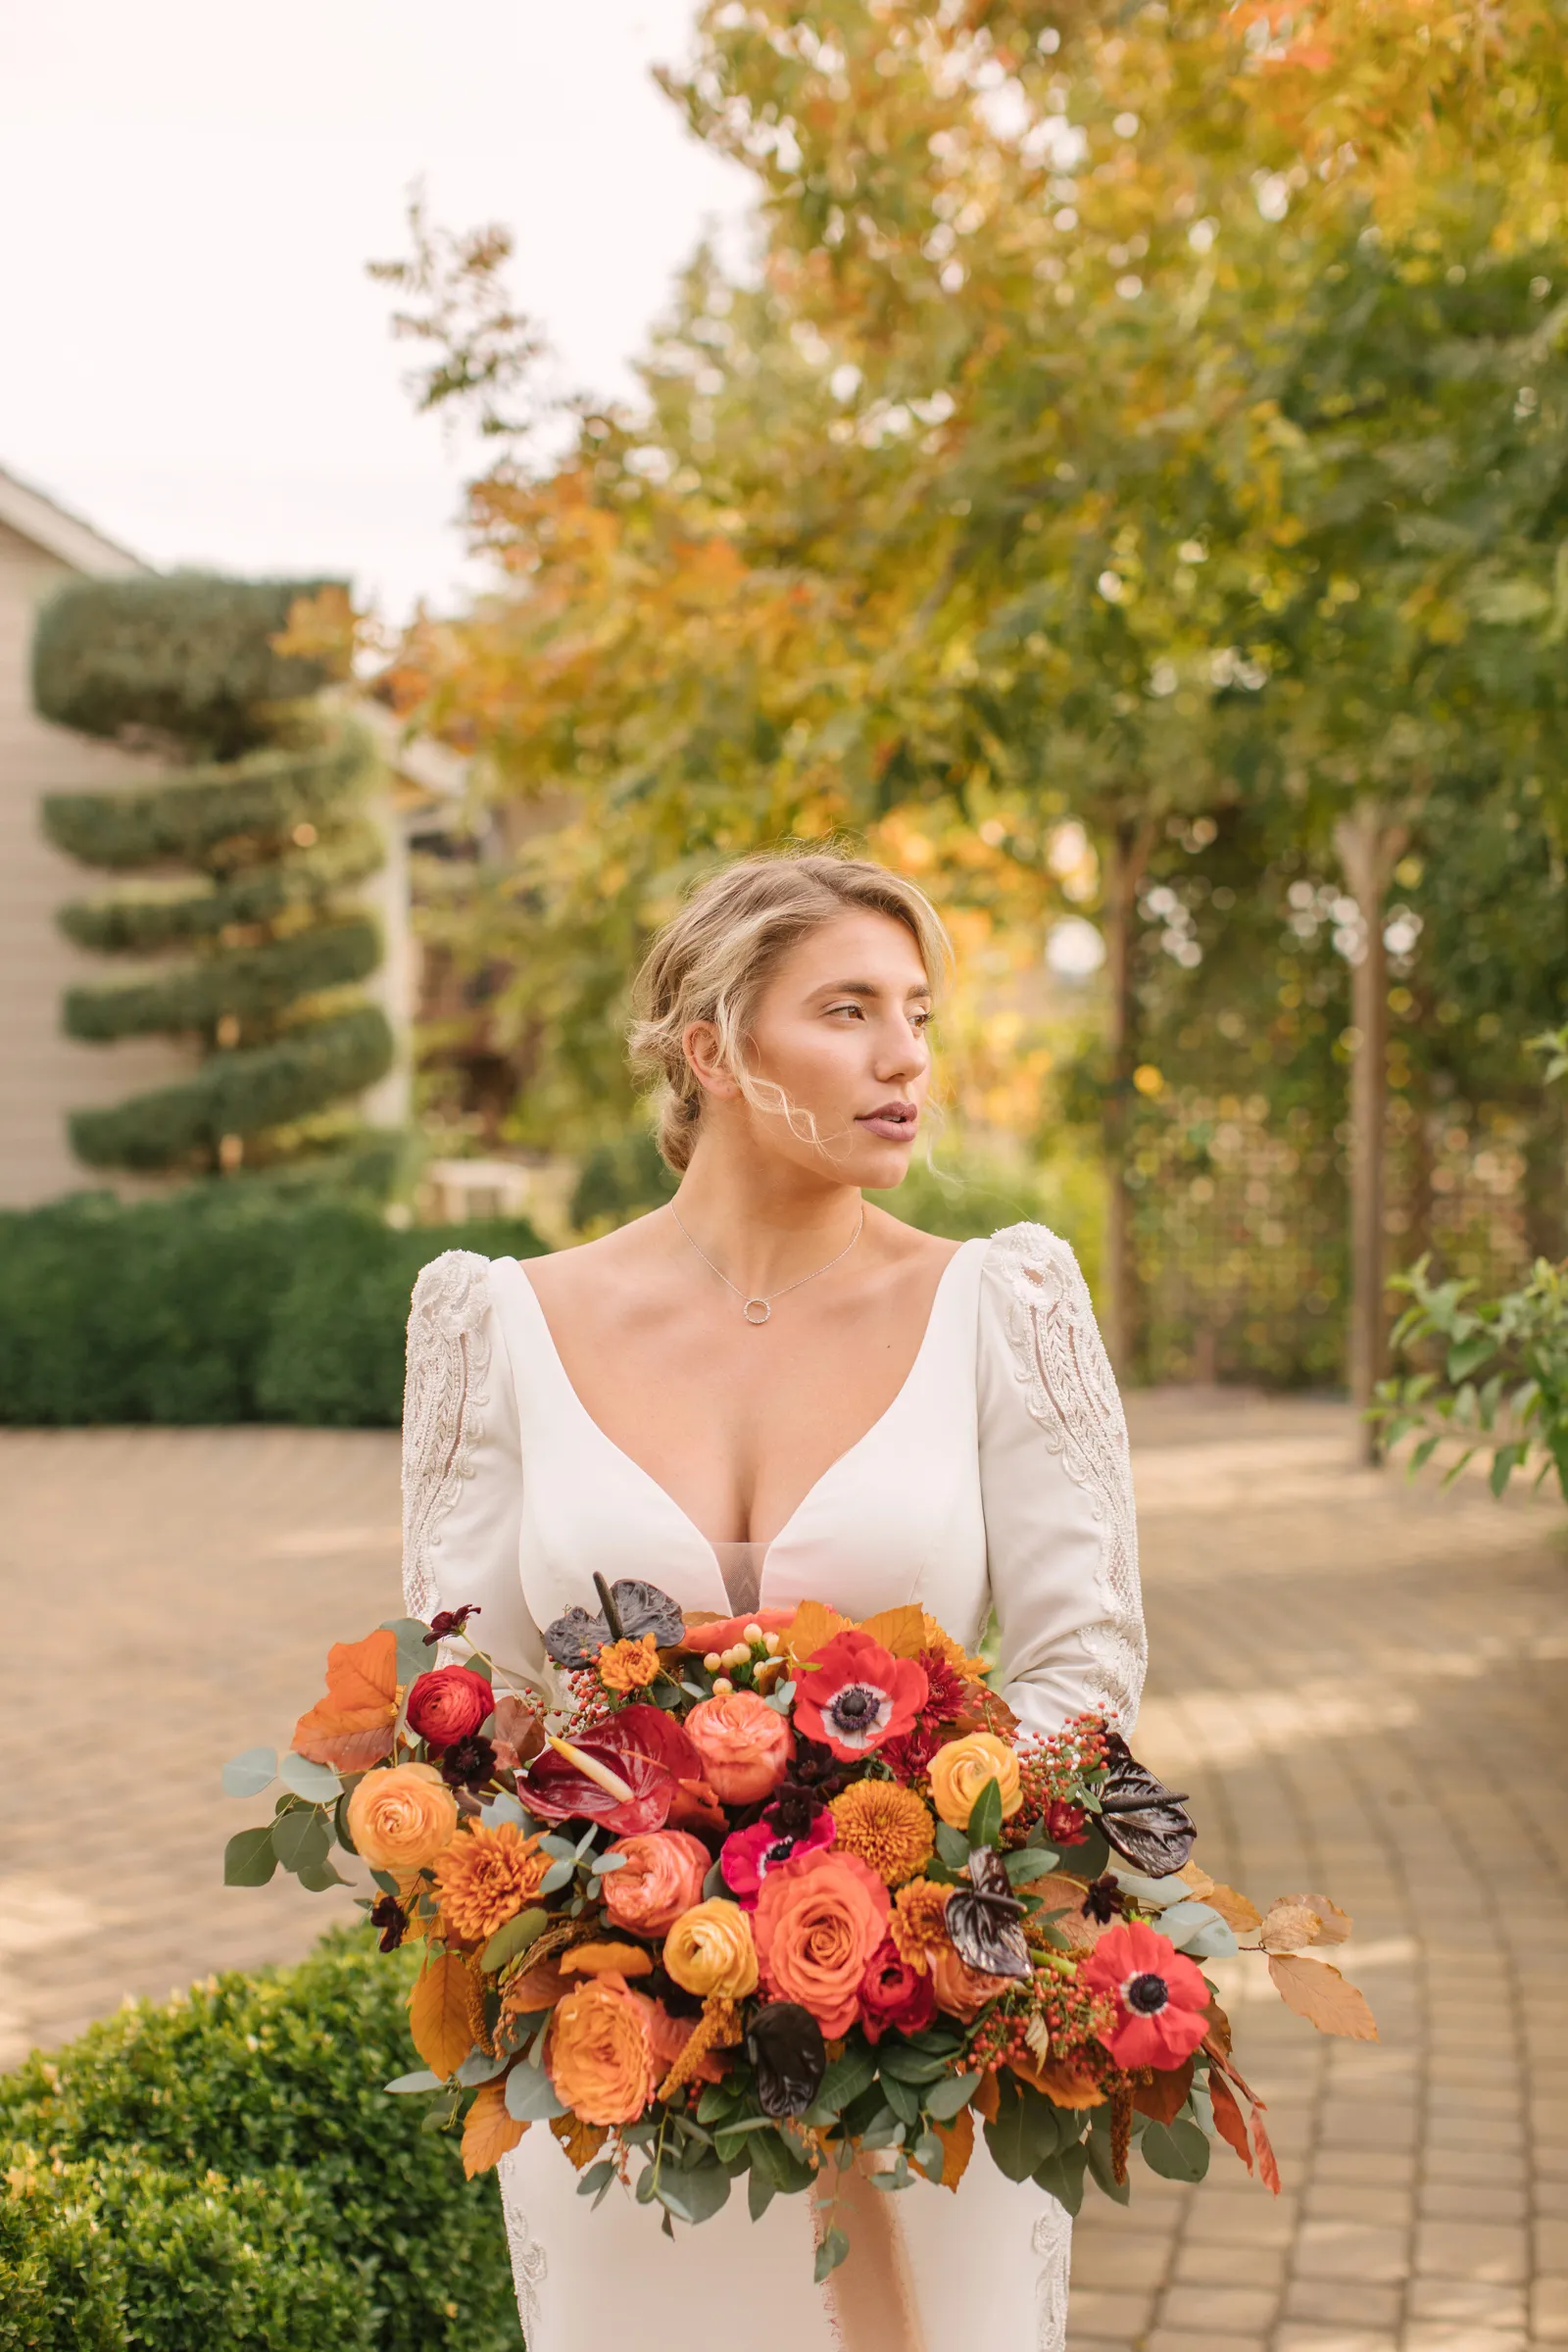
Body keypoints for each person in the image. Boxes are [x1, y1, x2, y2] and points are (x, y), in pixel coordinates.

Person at [399, 851, 1146, 2352]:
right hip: (617, 2055)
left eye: (916, 1014)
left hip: (930, 2042)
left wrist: (932, 1920)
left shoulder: (1004, 1303)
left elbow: (1086, 1662)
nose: (904, 1058)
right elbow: (462, 1705)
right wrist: (594, 1919)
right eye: (849, 1010)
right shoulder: (498, 1322)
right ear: (714, 1048)